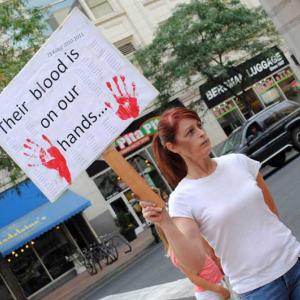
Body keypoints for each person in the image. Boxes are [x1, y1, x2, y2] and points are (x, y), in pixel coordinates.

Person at [140, 107, 300, 299]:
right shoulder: (181, 198)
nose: (201, 133)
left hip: (294, 261)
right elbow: (195, 263)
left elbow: (271, 212)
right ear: (173, 147)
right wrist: (165, 222)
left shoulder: (239, 162)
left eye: (199, 126)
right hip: (258, 288)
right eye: (190, 132)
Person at [156, 223, 230, 300]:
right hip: (210, 292)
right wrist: (219, 290)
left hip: (216, 285)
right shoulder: (177, 253)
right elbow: (194, 278)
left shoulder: (186, 245)